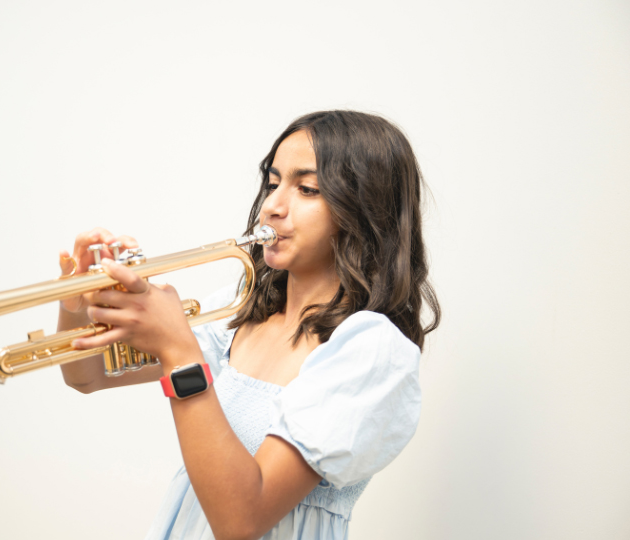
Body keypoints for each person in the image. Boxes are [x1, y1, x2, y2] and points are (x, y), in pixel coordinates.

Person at [57, 110, 440, 540]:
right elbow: (86, 376)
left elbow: (241, 521)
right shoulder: (239, 310)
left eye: (307, 188)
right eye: (273, 183)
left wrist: (178, 350)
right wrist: (77, 303)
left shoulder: (371, 349)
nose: (273, 206)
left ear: (365, 210)